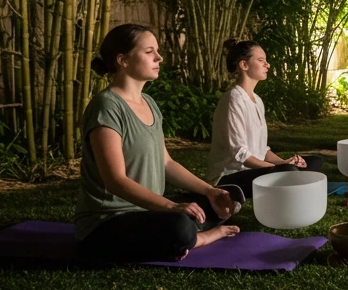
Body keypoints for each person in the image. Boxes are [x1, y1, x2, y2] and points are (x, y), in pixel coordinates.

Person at [75, 24, 241, 262]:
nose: (159, 57)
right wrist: (171, 207)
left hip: (149, 211)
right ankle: (198, 238)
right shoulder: (106, 107)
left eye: (157, 51)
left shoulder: (149, 103)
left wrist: (210, 191)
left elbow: (167, 163)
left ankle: (180, 237)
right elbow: (115, 181)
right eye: (149, 51)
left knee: (213, 204)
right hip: (108, 222)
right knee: (179, 226)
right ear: (122, 60)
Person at [207, 39, 324, 199]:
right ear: (244, 65)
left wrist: (284, 162)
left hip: (256, 170)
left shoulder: (257, 100)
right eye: (261, 60)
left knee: (314, 161)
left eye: (266, 60)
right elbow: (240, 155)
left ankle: (291, 179)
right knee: (288, 171)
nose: (267, 65)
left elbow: (262, 150)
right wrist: (276, 168)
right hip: (230, 176)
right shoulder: (234, 99)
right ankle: (291, 181)